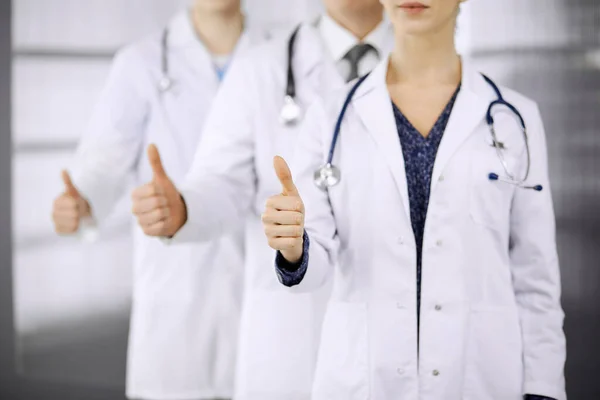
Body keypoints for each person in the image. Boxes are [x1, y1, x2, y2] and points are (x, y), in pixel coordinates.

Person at [263, 1, 567, 399]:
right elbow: (315, 263)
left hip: (481, 376)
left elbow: (535, 277)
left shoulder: (516, 118)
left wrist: (543, 388)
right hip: (365, 378)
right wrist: (294, 248)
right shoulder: (332, 115)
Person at [128, 1, 394, 398]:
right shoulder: (260, 69)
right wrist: (184, 208)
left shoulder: (432, 75)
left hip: (396, 334)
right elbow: (221, 182)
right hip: (292, 342)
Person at [50, 1, 269, 399]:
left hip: (264, 296)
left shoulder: (277, 56)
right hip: (175, 299)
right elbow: (102, 165)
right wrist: (80, 202)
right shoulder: (141, 63)